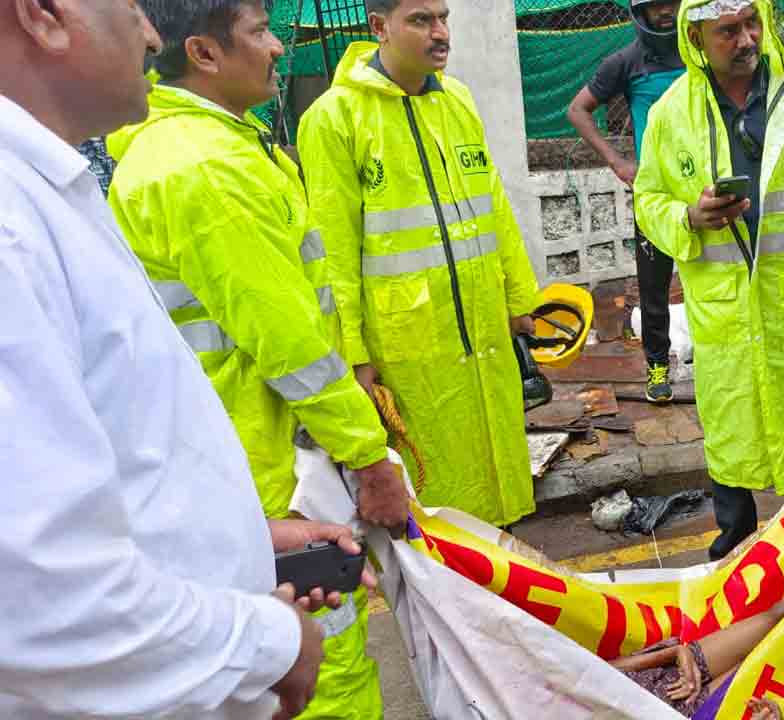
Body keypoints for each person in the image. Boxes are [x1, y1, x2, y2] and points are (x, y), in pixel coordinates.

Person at [0, 0, 371, 716]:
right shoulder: (19, 227)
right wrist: (268, 641)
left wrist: (240, 538)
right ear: (43, 15)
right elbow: (40, 593)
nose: (147, 35)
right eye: (131, 8)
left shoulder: (54, 192)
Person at [107, 1, 409, 717]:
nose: (279, 48)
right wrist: (370, 459)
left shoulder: (202, 151)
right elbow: (292, 343)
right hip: (265, 466)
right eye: (261, 31)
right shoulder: (206, 170)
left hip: (246, 454)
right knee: (320, 658)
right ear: (206, 53)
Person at [633, 0, 784, 559]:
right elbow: (647, 198)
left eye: (752, 23)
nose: (746, 38)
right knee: (731, 432)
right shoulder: (672, 112)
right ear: (695, 37)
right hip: (726, 315)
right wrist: (687, 218)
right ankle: (735, 546)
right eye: (728, 31)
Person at [298, 0, 542, 528]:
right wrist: (355, 356)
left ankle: (499, 590)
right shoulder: (333, 120)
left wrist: (520, 299)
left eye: (444, 18)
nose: (441, 33)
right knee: (438, 505)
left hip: (482, 333)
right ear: (379, 27)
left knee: (497, 485)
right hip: (406, 345)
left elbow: (493, 205)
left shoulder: (457, 101)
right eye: (421, 20)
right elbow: (333, 252)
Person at [566, 0, 684, 403]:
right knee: (654, 290)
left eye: (673, 3)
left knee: (720, 284)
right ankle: (657, 368)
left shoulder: (700, 50)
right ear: (641, 13)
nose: (666, 12)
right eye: (656, 6)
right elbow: (578, 109)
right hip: (654, 195)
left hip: (705, 190)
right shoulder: (627, 61)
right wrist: (617, 162)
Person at [611, 595, 784, 718]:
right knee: (767, 655)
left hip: (666, 674)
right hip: (694, 712)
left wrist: (679, 653)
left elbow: (607, 669)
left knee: (778, 614)